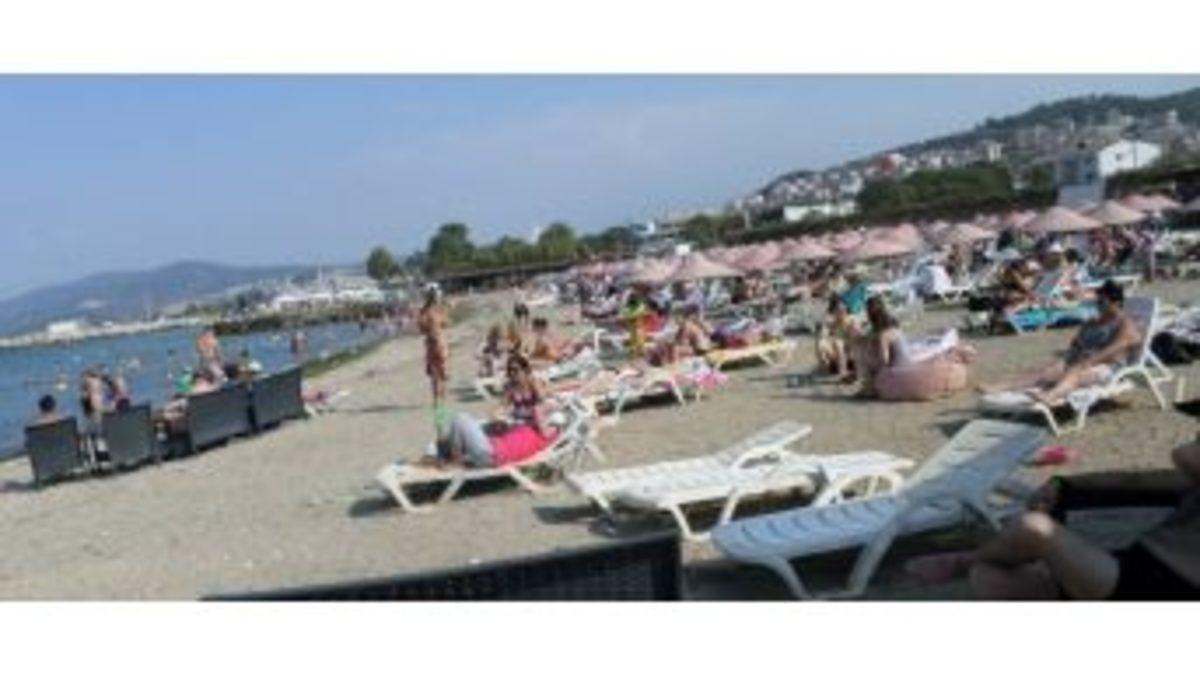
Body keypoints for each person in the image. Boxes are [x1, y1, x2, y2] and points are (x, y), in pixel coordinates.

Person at [907, 439, 1200, 600]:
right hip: (1135, 563)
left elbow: (1184, 454)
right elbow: (1139, 481)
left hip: (1159, 587)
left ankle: (963, 561)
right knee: (988, 579)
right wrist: (1066, 484)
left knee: (1034, 529)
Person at [980, 280, 1140, 405]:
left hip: (1108, 368)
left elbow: (1111, 351)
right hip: (1081, 359)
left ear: (1116, 302)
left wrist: (1085, 362)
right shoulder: (1095, 321)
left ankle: (1049, 396)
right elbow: (1076, 344)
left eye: (1102, 302)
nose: (1098, 305)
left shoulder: (1125, 324)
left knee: (1074, 373)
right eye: (1097, 302)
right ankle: (1000, 387)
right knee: (1047, 371)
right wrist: (1074, 351)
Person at [420, 354, 556, 469]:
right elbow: (501, 407)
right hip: (496, 447)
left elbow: (541, 405)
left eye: (515, 370)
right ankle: (440, 452)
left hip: (491, 453)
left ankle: (450, 458)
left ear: (525, 371)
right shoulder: (511, 388)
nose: (512, 374)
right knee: (452, 421)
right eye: (509, 371)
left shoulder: (533, 385)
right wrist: (498, 416)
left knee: (457, 418)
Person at [850, 296, 906, 396]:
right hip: (906, 363)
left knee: (863, 354)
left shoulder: (883, 335)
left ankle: (869, 388)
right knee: (865, 348)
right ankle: (868, 385)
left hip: (897, 369)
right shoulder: (894, 325)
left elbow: (884, 360)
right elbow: (870, 336)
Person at [417, 284, 450, 414]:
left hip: (431, 345)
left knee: (436, 382)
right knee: (442, 380)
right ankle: (441, 412)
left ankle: (439, 412)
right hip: (439, 344)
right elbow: (446, 323)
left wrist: (430, 328)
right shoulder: (438, 310)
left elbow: (421, 329)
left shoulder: (424, 311)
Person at [816, 295, 861, 379]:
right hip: (837, 355)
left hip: (851, 354)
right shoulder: (830, 322)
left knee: (839, 343)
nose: (842, 312)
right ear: (833, 312)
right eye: (839, 310)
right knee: (821, 343)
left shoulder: (852, 320)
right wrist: (825, 329)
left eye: (843, 309)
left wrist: (853, 329)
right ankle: (827, 368)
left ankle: (844, 371)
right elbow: (823, 336)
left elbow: (857, 337)